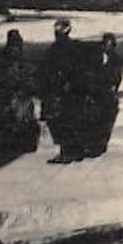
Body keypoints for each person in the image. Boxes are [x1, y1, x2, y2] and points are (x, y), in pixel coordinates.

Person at [36, 19, 85, 164]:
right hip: (65, 89)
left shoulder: (61, 48)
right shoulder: (67, 48)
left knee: (60, 121)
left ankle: (66, 152)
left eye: (58, 31)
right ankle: (72, 151)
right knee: (66, 120)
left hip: (60, 90)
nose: (56, 34)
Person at [0, 30, 38, 153]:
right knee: (18, 116)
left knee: (22, 115)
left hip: (15, 92)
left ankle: (23, 142)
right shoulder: (5, 59)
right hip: (9, 92)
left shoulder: (15, 59)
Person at [81, 32, 123, 158]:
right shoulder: (95, 57)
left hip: (107, 95)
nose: (107, 47)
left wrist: (113, 88)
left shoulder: (116, 60)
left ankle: (100, 146)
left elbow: (117, 77)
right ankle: (92, 145)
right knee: (94, 120)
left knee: (105, 121)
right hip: (96, 93)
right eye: (105, 44)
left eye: (110, 45)